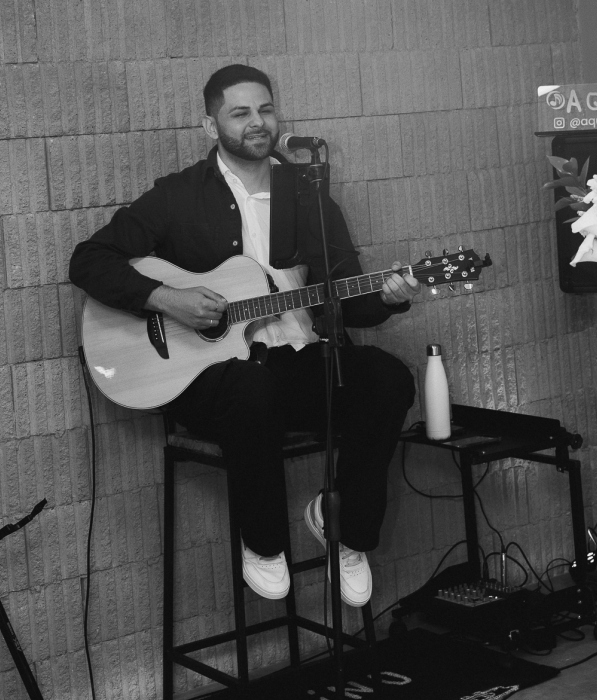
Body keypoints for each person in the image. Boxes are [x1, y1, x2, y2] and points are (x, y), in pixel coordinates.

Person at [70, 64, 420, 607]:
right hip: (218, 380)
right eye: (241, 113)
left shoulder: (309, 195)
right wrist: (167, 299)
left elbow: (345, 296)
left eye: (265, 109)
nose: (258, 122)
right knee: (251, 390)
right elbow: (89, 261)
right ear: (211, 126)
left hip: (301, 363)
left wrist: (388, 296)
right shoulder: (179, 197)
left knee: (388, 378)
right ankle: (262, 543)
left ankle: (345, 530)